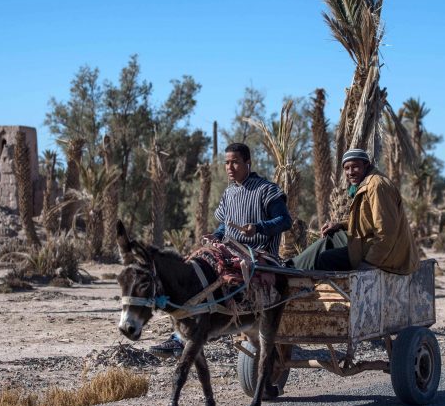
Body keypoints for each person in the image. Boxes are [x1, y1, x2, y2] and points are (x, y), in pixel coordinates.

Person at [150, 142, 293, 357]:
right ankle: (180, 336)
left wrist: (258, 228)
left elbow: (285, 221)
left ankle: (193, 333)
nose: (230, 167)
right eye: (227, 163)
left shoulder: (267, 190)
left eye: (235, 162)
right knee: (197, 270)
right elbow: (225, 225)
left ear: (248, 162)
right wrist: (215, 236)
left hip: (259, 255)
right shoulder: (229, 193)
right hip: (229, 252)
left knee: (214, 281)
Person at [291, 148, 419, 275]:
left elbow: (386, 232)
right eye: (347, 168)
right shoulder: (365, 184)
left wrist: (369, 263)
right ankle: (292, 266)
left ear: (366, 165)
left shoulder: (376, 186)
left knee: (326, 259)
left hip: (389, 256)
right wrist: (340, 225)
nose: (350, 172)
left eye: (355, 167)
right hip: (369, 243)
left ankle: (329, 291)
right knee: (332, 236)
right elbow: (367, 220)